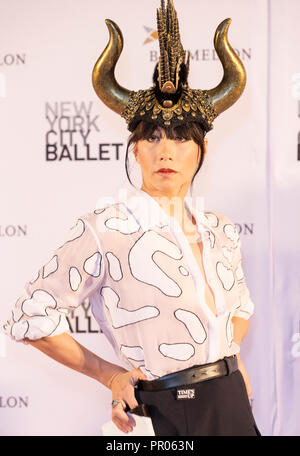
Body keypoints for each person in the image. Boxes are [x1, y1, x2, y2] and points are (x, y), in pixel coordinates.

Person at [2, 0, 260, 436]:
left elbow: (239, 307)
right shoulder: (105, 228)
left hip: (233, 403)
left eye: (180, 138)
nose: (165, 151)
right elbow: (31, 317)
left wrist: (230, 362)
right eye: (152, 137)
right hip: (164, 411)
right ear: (135, 149)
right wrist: (111, 375)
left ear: (201, 150)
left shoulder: (220, 228)